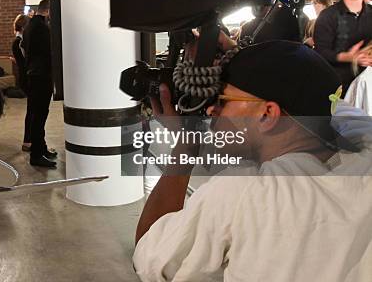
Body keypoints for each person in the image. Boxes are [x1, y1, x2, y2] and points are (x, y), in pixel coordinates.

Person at [134, 40, 372, 281]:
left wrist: (186, 143)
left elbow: (148, 253)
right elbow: (320, 94)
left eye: (222, 99)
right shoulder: (365, 148)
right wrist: (244, 59)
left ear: (267, 114)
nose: (210, 110)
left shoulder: (243, 193)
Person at [314, 0, 372, 92]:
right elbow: (320, 54)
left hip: (369, 87)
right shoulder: (328, 16)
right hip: (340, 89)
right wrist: (348, 57)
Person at [22, 0, 58, 167]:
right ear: (49, 10)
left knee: (38, 114)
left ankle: (41, 148)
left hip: (33, 75)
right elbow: (49, 53)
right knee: (39, 116)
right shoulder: (42, 28)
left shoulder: (29, 26)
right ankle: (36, 155)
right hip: (41, 76)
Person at [12, 14, 32, 151]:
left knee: (32, 110)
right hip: (26, 78)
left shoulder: (20, 40)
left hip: (25, 77)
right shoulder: (19, 42)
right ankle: (27, 141)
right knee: (32, 111)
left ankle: (29, 140)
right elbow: (25, 61)